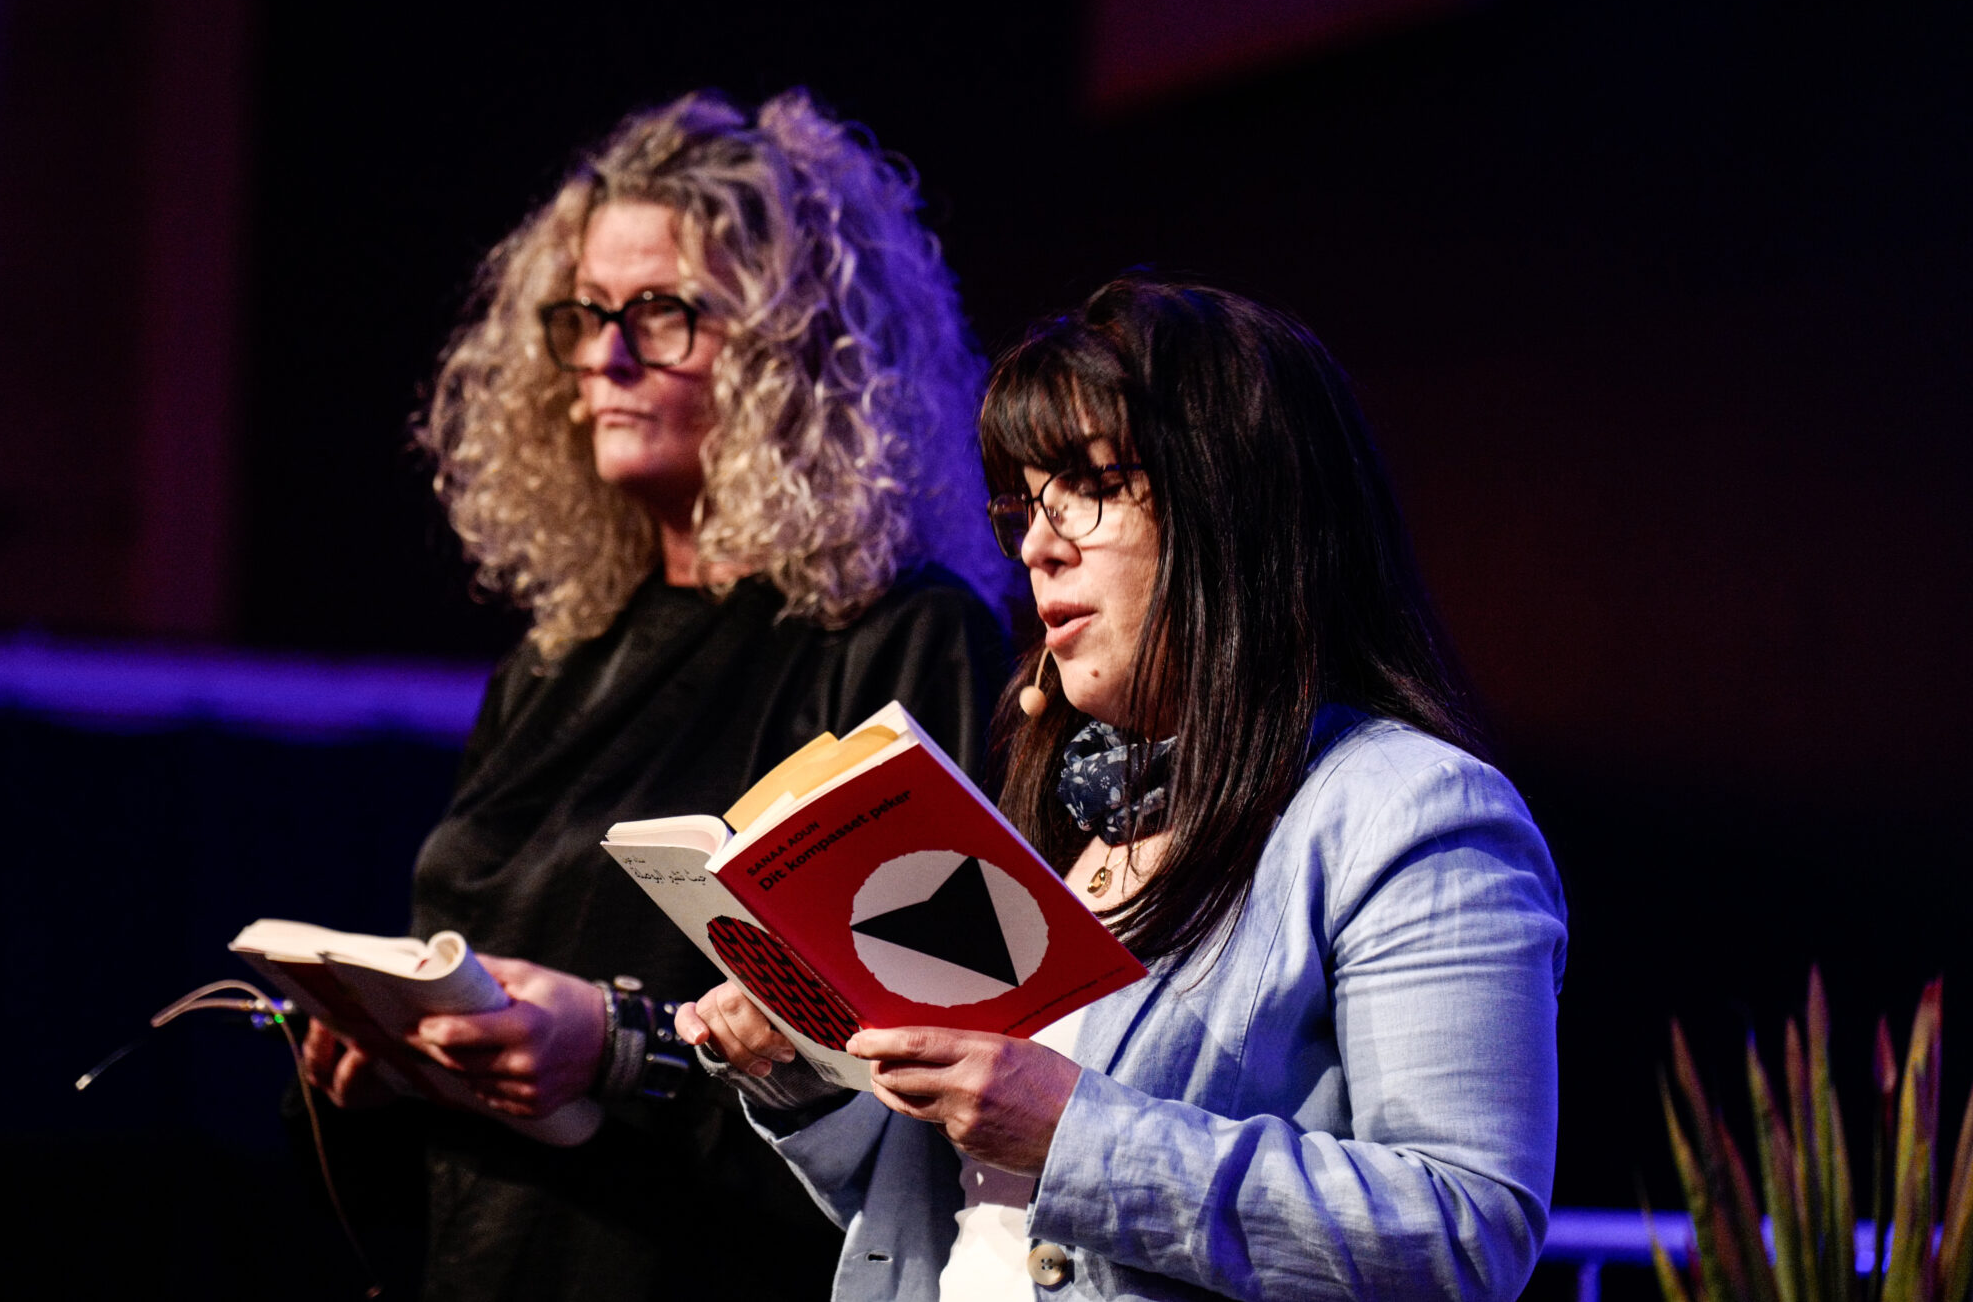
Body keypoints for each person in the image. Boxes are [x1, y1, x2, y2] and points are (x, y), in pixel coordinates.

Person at [682, 276, 1567, 1301]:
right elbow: (977, 1214)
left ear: (1232, 507)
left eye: (1089, 487)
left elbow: (1464, 1233)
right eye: (1024, 503)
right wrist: (801, 1072)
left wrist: (1074, 1133)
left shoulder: (1409, 812)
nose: (1036, 545)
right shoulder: (1069, 807)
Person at [296, 89, 1007, 1302]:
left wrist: (623, 1050)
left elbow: (917, 1072)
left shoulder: (901, 636)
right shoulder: (554, 660)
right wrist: (378, 1061)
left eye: (661, 313)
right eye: (583, 315)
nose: (605, 357)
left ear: (797, 348)